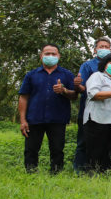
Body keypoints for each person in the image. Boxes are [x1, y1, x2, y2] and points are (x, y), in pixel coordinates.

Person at [18, 44, 77, 173]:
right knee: (31, 149)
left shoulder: (67, 74)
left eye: (53, 54)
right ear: (41, 56)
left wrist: (64, 90)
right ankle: (31, 173)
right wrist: (23, 120)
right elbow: (23, 97)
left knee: (57, 149)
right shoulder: (31, 75)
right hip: (34, 118)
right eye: (47, 54)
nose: (50, 56)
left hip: (58, 118)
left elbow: (74, 95)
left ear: (59, 56)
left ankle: (56, 174)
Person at [83, 53, 111, 173]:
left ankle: (106, 174)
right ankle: (92, 175)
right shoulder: (97, 76)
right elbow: (92, 94)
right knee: (96, 150)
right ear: (105, 64)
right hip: (98, 119)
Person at [73, 37, 111, 172]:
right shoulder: (88, 66)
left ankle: (97, 169)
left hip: (108, 111)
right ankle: (79, 169)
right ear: (95, 49)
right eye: (101, 46)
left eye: (107, 47)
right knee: (84, 141)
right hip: (88, 109)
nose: (104, 49)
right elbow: (83, 88)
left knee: (103, 142)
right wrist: (78, 85)